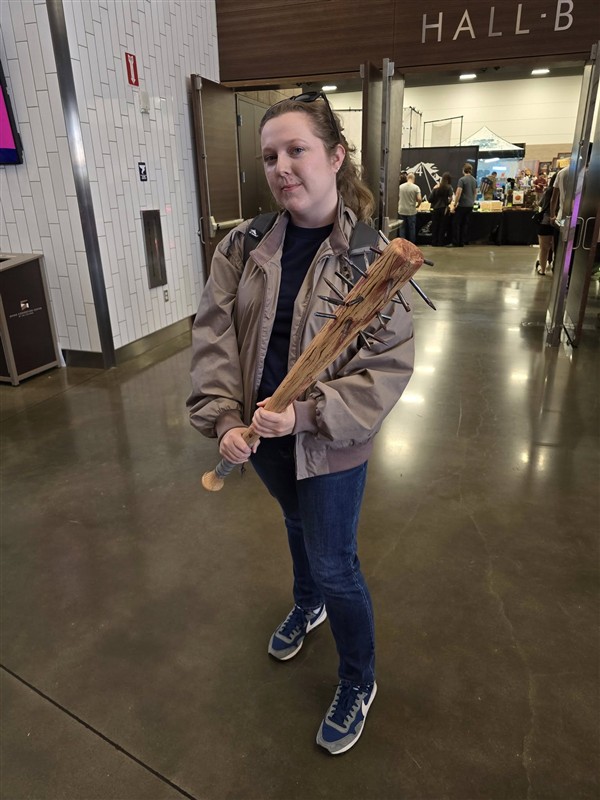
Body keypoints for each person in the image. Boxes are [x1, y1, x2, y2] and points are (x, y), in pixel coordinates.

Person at [187, 92, 415, 755]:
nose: (281, 167)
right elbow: (213, 336)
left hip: (330, 442)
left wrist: (308, 415)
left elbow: (386, 369)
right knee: (296, 524)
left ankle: (358, 678)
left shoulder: (374, 259)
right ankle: (306, 603)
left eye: (297, 150)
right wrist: (224, 418)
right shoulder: (244, 244)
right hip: (260, 435)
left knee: (336, 562)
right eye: (270, 156)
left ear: (336, 156)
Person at [534, 172, 557, 275]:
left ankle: (542, 270)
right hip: (560, 220)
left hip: (545, 221)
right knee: (557, 248)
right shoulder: (567, 191)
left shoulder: (549, 191)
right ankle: (555, 269)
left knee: (544, 248)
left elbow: (541, 204)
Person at [450, 163, 477, 246]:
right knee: (465, 224)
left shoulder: (462, 180)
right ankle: (462, 241)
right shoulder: (474, 180)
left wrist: (455, 204)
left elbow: (458, 192)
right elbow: (475, 193)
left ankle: (456, 242)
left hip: (462, 205)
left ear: (463, 170)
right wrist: (472, 201)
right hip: (470, 205)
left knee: (456, 224)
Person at [428, 172, 453, 246]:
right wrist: (447, 203)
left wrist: (433, 189)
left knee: (435, 225)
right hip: (444, 209)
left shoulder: (436, 187)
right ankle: (440, 242)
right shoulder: (449, 187)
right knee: (442, 226)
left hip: (435, 209)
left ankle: (434, 242)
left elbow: (430, 199)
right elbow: (450, 198)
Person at [397, 172, 422, 243]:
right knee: (411, 229)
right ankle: (411, 244)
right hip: (411, 211)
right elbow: (419, 198)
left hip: (401, 210)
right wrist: (418, 205)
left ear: (407, 178)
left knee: (402, 229)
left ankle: (402, 244)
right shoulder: (416, 187)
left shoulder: (400, 187)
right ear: (413, 179)